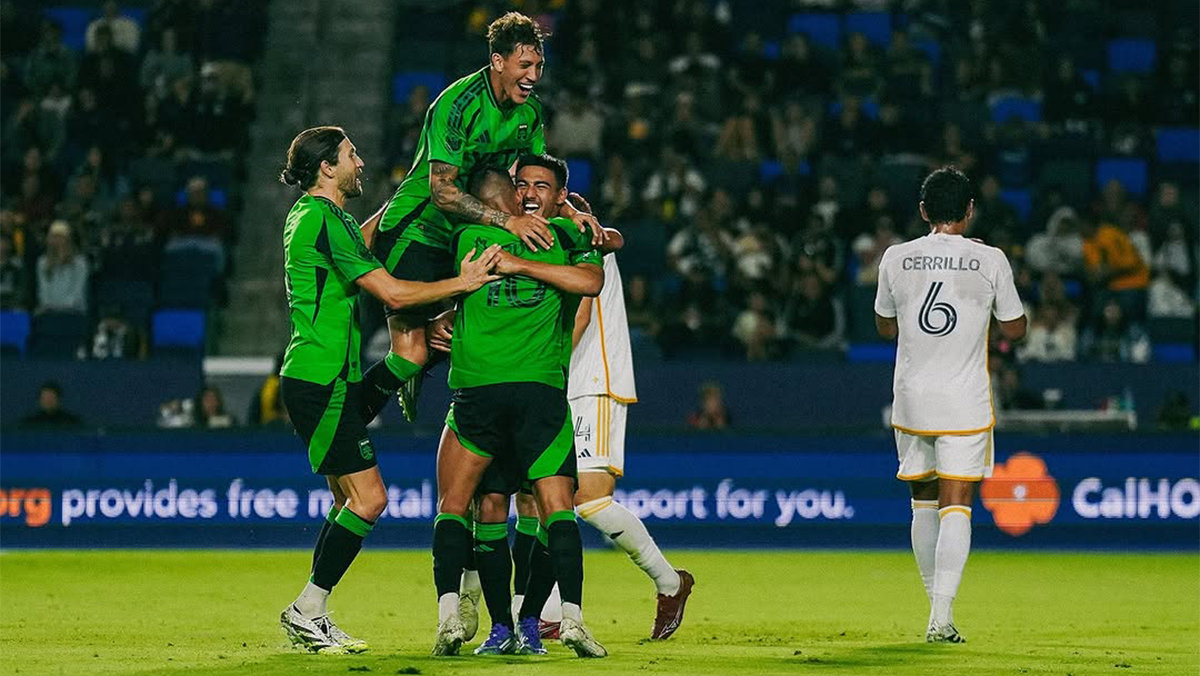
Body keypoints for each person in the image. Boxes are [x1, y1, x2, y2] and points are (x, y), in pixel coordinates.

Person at [275, 126, 502, 655]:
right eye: (351, 155)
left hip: (331, 377)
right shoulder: (321, 220)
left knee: (409, 357)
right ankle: (306, 608)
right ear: (327, 167)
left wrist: (408, 196)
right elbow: (393, 290)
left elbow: (368, 235)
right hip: (320, 380)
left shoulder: (321, 218)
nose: (360, 162)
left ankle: (314, 612)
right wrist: (462, 283)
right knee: (370, 498)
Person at [360, 11, 603, 425]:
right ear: (498, 62)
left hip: (467, 235)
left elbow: (533, 183)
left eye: (539, 66)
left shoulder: (530, 114)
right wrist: (509, 222)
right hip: (417, 231)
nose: (533, 76)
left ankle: (443, 346)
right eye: (524, 65)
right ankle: (347, 419)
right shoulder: (458, 105)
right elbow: (443, 191)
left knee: (467, 326)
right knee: (410, 352)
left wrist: (574, 211)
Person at [428, 167, 611, 658]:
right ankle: (532, 623)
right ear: (509, 193)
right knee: (534, 507)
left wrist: (521, 260)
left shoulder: (466, 233)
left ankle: (492, 621)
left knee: (474, 506)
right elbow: (598, 261)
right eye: (521, 185)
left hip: (491, 392)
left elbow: (601, 257)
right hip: (522, 393)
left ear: (559, 195)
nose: (529, 193)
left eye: (541, 187)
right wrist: (578, 221)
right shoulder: (564, 236)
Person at [536, 154, 696, 641]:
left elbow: (581, 316)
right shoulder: (548, 241)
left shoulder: (583, 238)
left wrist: (544, 368)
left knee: (588, 498)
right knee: (545, 497)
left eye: (540, 188)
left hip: (592, 380)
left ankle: (670, 582)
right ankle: (548, 612)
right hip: (564, 382)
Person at [874, 168, 1026, 643]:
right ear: (969, 211)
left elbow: (884, 328)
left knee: (922, 502)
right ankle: (941, 617)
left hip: (912, 400)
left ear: (923, 211)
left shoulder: (896, 257)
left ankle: (933, 608)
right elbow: (1015, 328)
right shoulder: (990, 259)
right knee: (956, 503)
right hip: (963, 400)